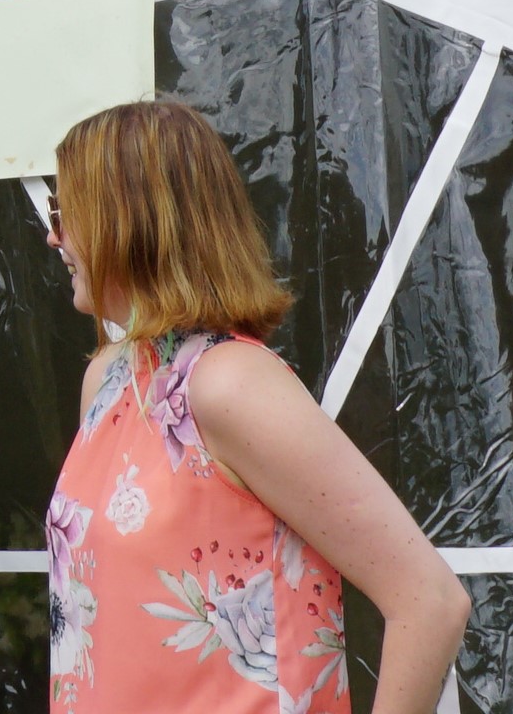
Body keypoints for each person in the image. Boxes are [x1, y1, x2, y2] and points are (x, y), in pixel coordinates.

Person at [43, 100, 470, 714]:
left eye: (67, 212)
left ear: (128, 220)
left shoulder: (230, 384)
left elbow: (428, 600)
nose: (53, 235)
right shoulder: (108, 378)